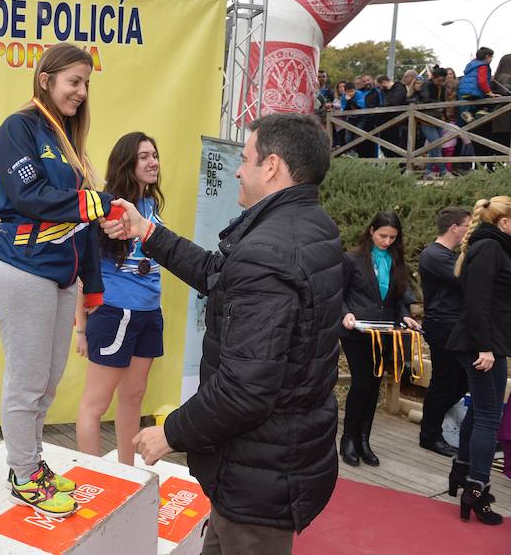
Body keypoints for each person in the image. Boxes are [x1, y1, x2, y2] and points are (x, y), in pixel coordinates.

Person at [102, 113, 343, 555]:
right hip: (275, 464)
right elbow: (221, 275)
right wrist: (147, 232)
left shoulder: (270, 249)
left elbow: (245, 389)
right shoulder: (311, 227)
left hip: (260, 476)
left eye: (246, 158)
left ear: (270, 167)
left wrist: (170, 433)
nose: (236, 169)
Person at [0, 42, 119, 518]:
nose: (82, 92)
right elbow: (30, 195)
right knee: (26, 382)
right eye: (74, 81)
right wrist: (97, 201)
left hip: (62, 276)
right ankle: (23, 472)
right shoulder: (18, 128)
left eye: (86, 83)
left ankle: (32, 463)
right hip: (23, 269)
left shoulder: (68, 142)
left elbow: (81, 223)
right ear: (46, 79)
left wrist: (93, 284)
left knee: (46, 383)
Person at [75, 132, 165, 466]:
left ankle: (127, 473)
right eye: (144, 156)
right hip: (115, 312)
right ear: (127, 162)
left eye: (154, 155)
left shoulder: (151, 205)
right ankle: (94, 478)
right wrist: (81, 328)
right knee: (95, 405)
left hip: (149, 313)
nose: (153, 162)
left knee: (134, 396)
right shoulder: (109, 207)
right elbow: (86, 268)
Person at [445, 196, 511, 525]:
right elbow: (477, 300)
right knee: (489, 417)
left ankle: (461, 471)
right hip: (481, 346)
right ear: (504, 222)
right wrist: (484, 347)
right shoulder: (490, 248)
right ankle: (477, 489)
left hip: (488, 343)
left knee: (481, 412)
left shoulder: (494, 246)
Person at [340, 211, 420, 467]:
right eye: (383, 235)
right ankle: (349, 439)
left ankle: (364, 439)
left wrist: (406, 316)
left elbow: (399, 297)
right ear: (371, 230)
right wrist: (346, 313)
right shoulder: (352, 259)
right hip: (356, 330)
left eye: (392, 237)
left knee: (374, 386)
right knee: (362, 383)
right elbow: (337, 293)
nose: (386, 241)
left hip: (384, 331)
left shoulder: (396, 261)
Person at [419, 207, 472, 456]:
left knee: (462, 380)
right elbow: (466, 279)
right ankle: (429, 436)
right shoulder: (435, 255)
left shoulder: (449, 254)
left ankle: (436, 421)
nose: (468, 231)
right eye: (467, 226)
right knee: (443, 381)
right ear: (454, 227)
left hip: (455, 326)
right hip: (442, 326)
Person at [419, 66, 449, 177]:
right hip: (427, 118)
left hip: (439, 117)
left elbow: (444, 101)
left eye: (443, 81)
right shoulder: (426, 85)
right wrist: (439, 105)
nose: (441, 83)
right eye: (439, 80)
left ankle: (429, 170)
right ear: (434, 78)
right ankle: (443, 171)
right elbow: (425, 99)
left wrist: (445, 115)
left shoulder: (443, 87)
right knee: (436, 144)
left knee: (436, 145)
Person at [458, 47, 498, 124]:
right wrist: (489, 92)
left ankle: (467, 113)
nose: (492, 59)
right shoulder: (483, 66)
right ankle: (482, 111)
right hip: (474, 91)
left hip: (464, 92)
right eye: (491, 57)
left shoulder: (472, 66)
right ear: (487, 56)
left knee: (473, 102)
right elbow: (482, 82)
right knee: (495, 98)